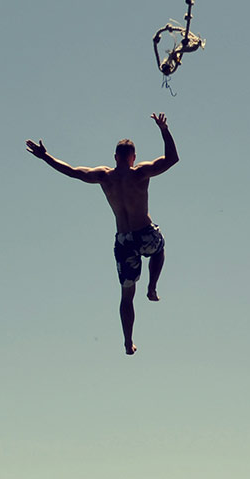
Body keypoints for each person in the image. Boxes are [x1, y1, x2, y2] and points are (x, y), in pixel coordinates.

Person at [26, 113, 179, 355]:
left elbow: (72, 171)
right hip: (144, 233)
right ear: (133, 157)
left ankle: (128, 342)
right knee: (159, 247)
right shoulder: (140, 172)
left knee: (127, 295)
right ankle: (152, 288)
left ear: (115, 157)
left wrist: (46, 157)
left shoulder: (104, 176)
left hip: (124, 240)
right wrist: (164, 129)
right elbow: (172, 159)